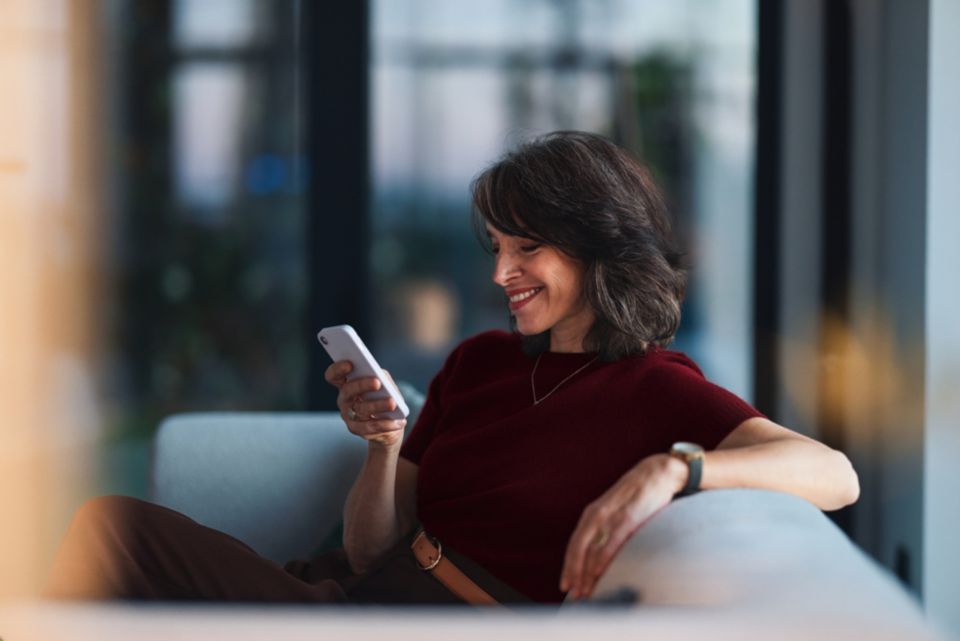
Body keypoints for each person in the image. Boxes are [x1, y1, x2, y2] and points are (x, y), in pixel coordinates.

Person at [45, 131, 859, 606]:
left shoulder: (654, 386)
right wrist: (384, 443)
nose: (503, 273)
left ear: (598, 244)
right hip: (354, 595)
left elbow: (835, 472)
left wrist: (674, 469)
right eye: (498, 248)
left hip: (423, 621)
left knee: (110, 531)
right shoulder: (479, 362)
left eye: (528, 247)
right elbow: (368, 551)